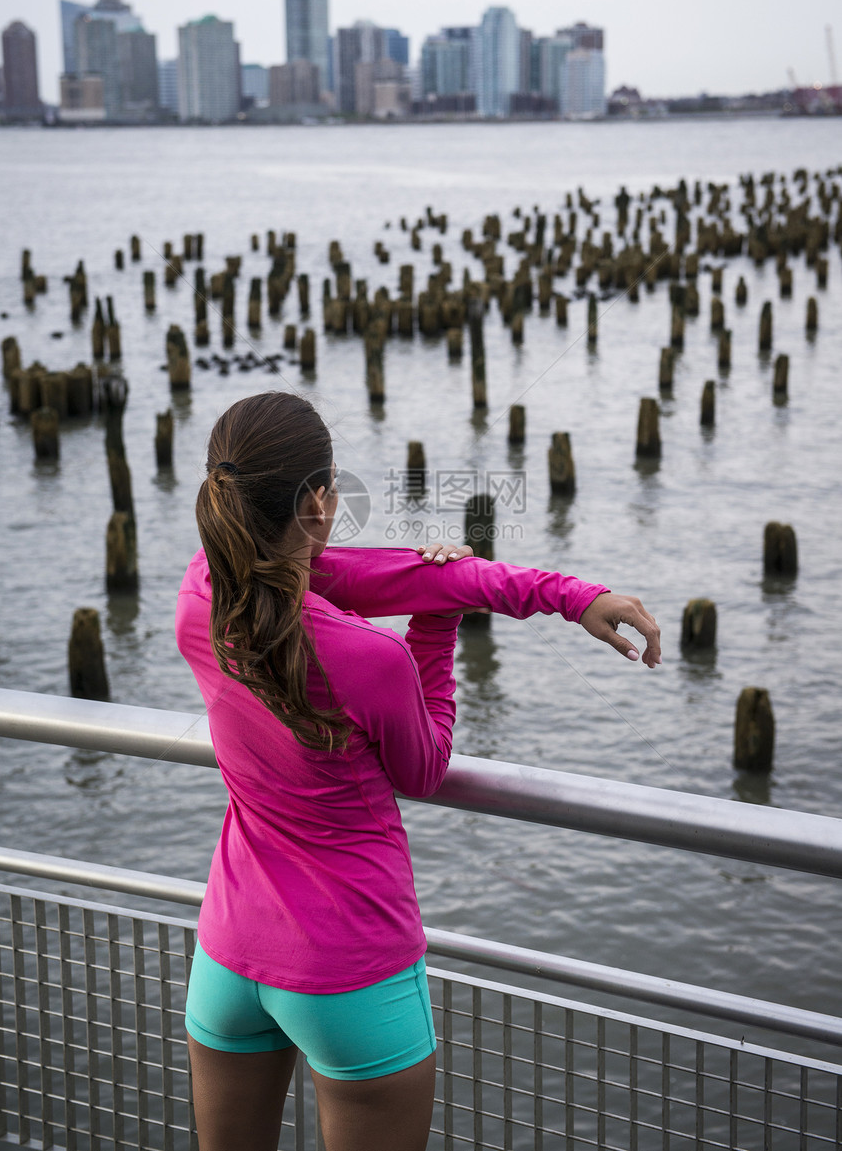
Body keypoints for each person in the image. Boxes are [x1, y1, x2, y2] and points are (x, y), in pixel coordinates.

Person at [176, 390, 661, 1151]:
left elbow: (342, 575)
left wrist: (564, 595)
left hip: (227, 958)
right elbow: (426, 766)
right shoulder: (370, 659)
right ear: (315, 503)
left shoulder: (200, 595)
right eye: (333, 480)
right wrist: (438, 620)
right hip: (350, 969)